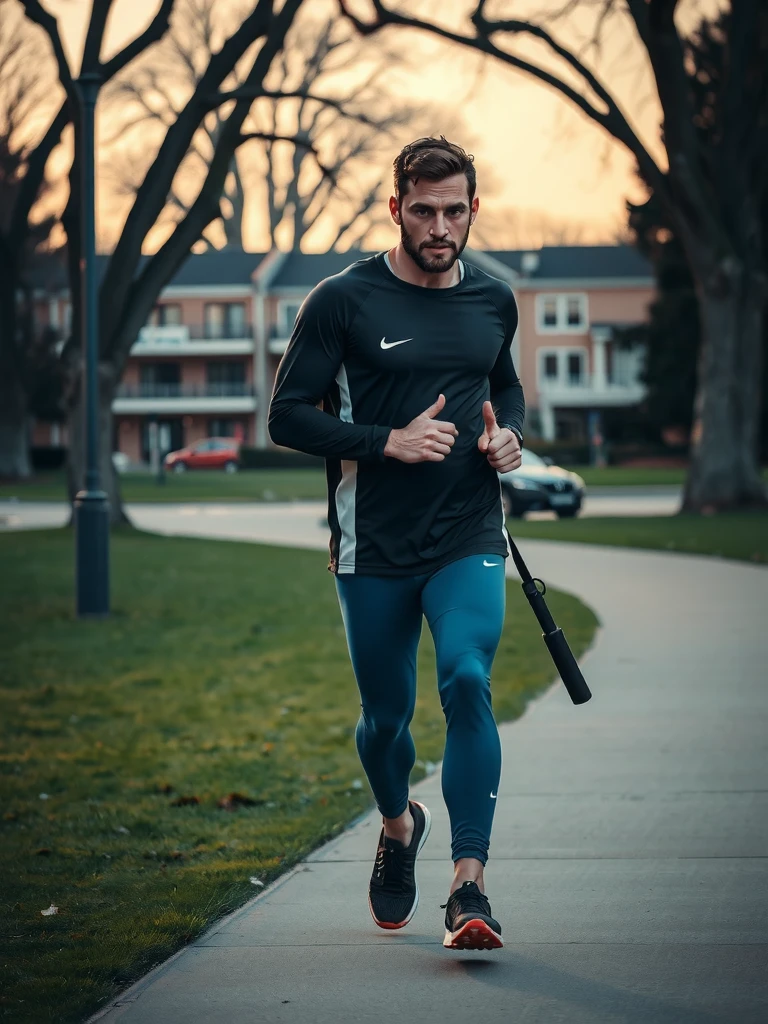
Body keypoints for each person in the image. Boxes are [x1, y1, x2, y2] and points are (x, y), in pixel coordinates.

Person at [268, 137, 524, 951]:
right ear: (395, 208)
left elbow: (505, 382)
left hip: (468, 533)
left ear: (473, 209)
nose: (440, 226)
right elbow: (288, 415)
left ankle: (469, 885)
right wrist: (386, 441)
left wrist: (508, 435)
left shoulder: (494, 298)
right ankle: (397, 821)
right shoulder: (341, 300)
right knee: (385, 720)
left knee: (467, 678)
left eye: (455, 210)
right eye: (424, 210)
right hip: (372, 544)